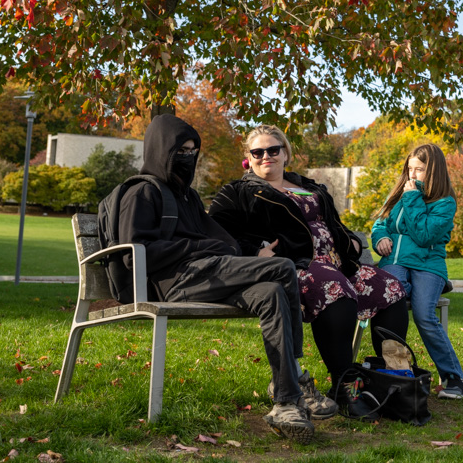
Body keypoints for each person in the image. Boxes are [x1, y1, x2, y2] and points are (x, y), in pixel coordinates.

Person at [110, 114, 315, 443]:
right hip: (174, 282)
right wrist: (200, 247)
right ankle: (297, 379)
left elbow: (219, 237)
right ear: (162, 150)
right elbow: (135, 251)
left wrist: (224, 247)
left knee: (272, 291)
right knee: (283, 267)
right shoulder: (142, 193)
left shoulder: (187, 197)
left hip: (206, 274)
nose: (188, 158)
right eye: (181, 151)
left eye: (193, 151)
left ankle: (286, 403)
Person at [209, 125, 409, 417]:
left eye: (273, 149)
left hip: (340, 263)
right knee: (334, 289)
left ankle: (391, 379)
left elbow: (331, 223)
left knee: (390, 289)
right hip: (294, 267)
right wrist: (255, 251)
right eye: (258, 152)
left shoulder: (309, 186)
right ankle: (346, 384)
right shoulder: (238, 192)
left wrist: (349, 239)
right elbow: (217, 232)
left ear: (286, 153)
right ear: (249, 158)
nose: (267, 156)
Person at [371, 143, 463, 399]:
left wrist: (413, 198)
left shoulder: (444, 202)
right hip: (395, 261)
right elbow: (380, 223)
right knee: (389, 297)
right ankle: (394, 370)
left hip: (428, 264)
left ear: (434, 171)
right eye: (410, 169)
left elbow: (425, 234)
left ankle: (456, 379)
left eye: (419, 170)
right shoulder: (397, 194)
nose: (412, 175)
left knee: (424, 314)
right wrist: (380, 237)